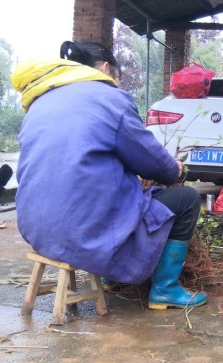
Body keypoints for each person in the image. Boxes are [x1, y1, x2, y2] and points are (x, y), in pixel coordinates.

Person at [11, 40, 207, 310]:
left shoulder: (39, 101)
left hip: (37, 230)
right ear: (105, 68)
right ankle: (165, 289)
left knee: (103, 191)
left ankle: (107, 278)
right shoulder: (110, 98)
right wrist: (176, 169)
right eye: (117, 77)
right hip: (83, 232)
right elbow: (154, 163)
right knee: (186, 199)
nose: (117, 84)